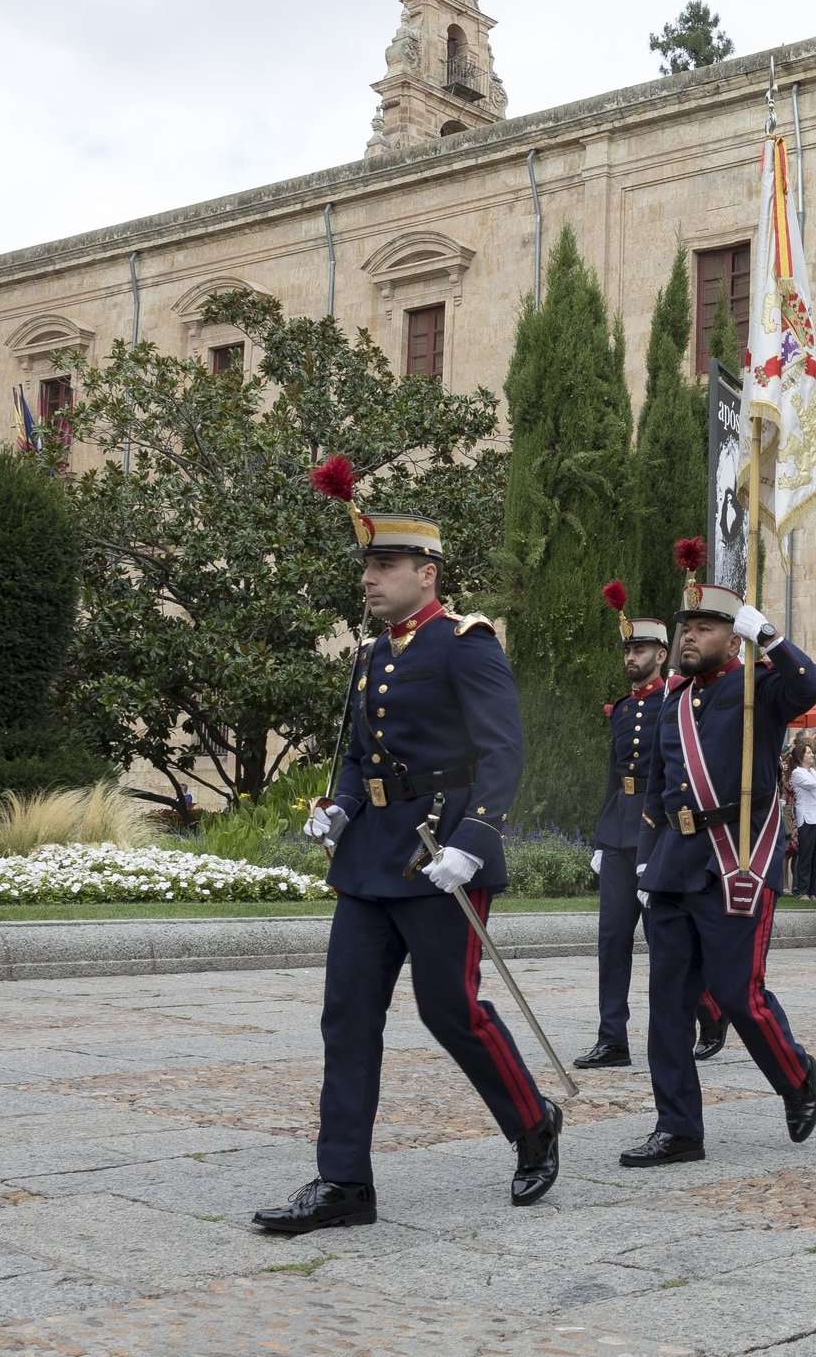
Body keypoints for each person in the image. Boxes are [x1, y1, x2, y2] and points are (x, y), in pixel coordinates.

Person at [257, 480, 560, 1234]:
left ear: (427, 572)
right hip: (369, 861)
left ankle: (532, 1120)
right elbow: (361, 757)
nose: (369, 577)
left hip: (438, 851)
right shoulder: (366, 655)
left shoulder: (467, 643)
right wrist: (341, 806)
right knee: (347, 1015)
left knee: (449, 1008)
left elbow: (503, 752)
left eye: (386, 563)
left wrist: (474, 839)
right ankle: (344, 1183)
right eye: (368, 564)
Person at [618, 540, 816, 1167]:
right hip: (679, 862)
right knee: (668, 1004)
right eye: (686, 627)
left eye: (705, 627)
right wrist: (645, 854)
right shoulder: (673, 700)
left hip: (737, 856)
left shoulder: (762, 690)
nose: (689, 637)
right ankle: (679, 1127)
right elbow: (658, 781)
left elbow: (812, 685)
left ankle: (795, 1075)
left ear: (732, 639)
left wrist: (774, 636)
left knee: (738, 993)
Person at [575, 590, 728, 1070]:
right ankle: (612, 1037)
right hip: (619, 832)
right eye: (626, 650)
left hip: (661, 832)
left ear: (662, 654)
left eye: (639, 649)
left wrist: (662, 836)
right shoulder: (622, 709)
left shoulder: (679, 700)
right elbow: (611, 773)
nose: (631, 657)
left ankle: (709, 1011)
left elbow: (678, 773)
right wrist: (602, 837)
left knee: (669, 941)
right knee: (612, 939)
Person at [787, 742, 816, 900]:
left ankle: (813, 888)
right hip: (807, 817)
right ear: (800, 756)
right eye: (808, 753)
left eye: (811, 752)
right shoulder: (797, 773)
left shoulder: (814, 772)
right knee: (806, 855)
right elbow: (813, 784)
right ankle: (801, 889)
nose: (811, 755)